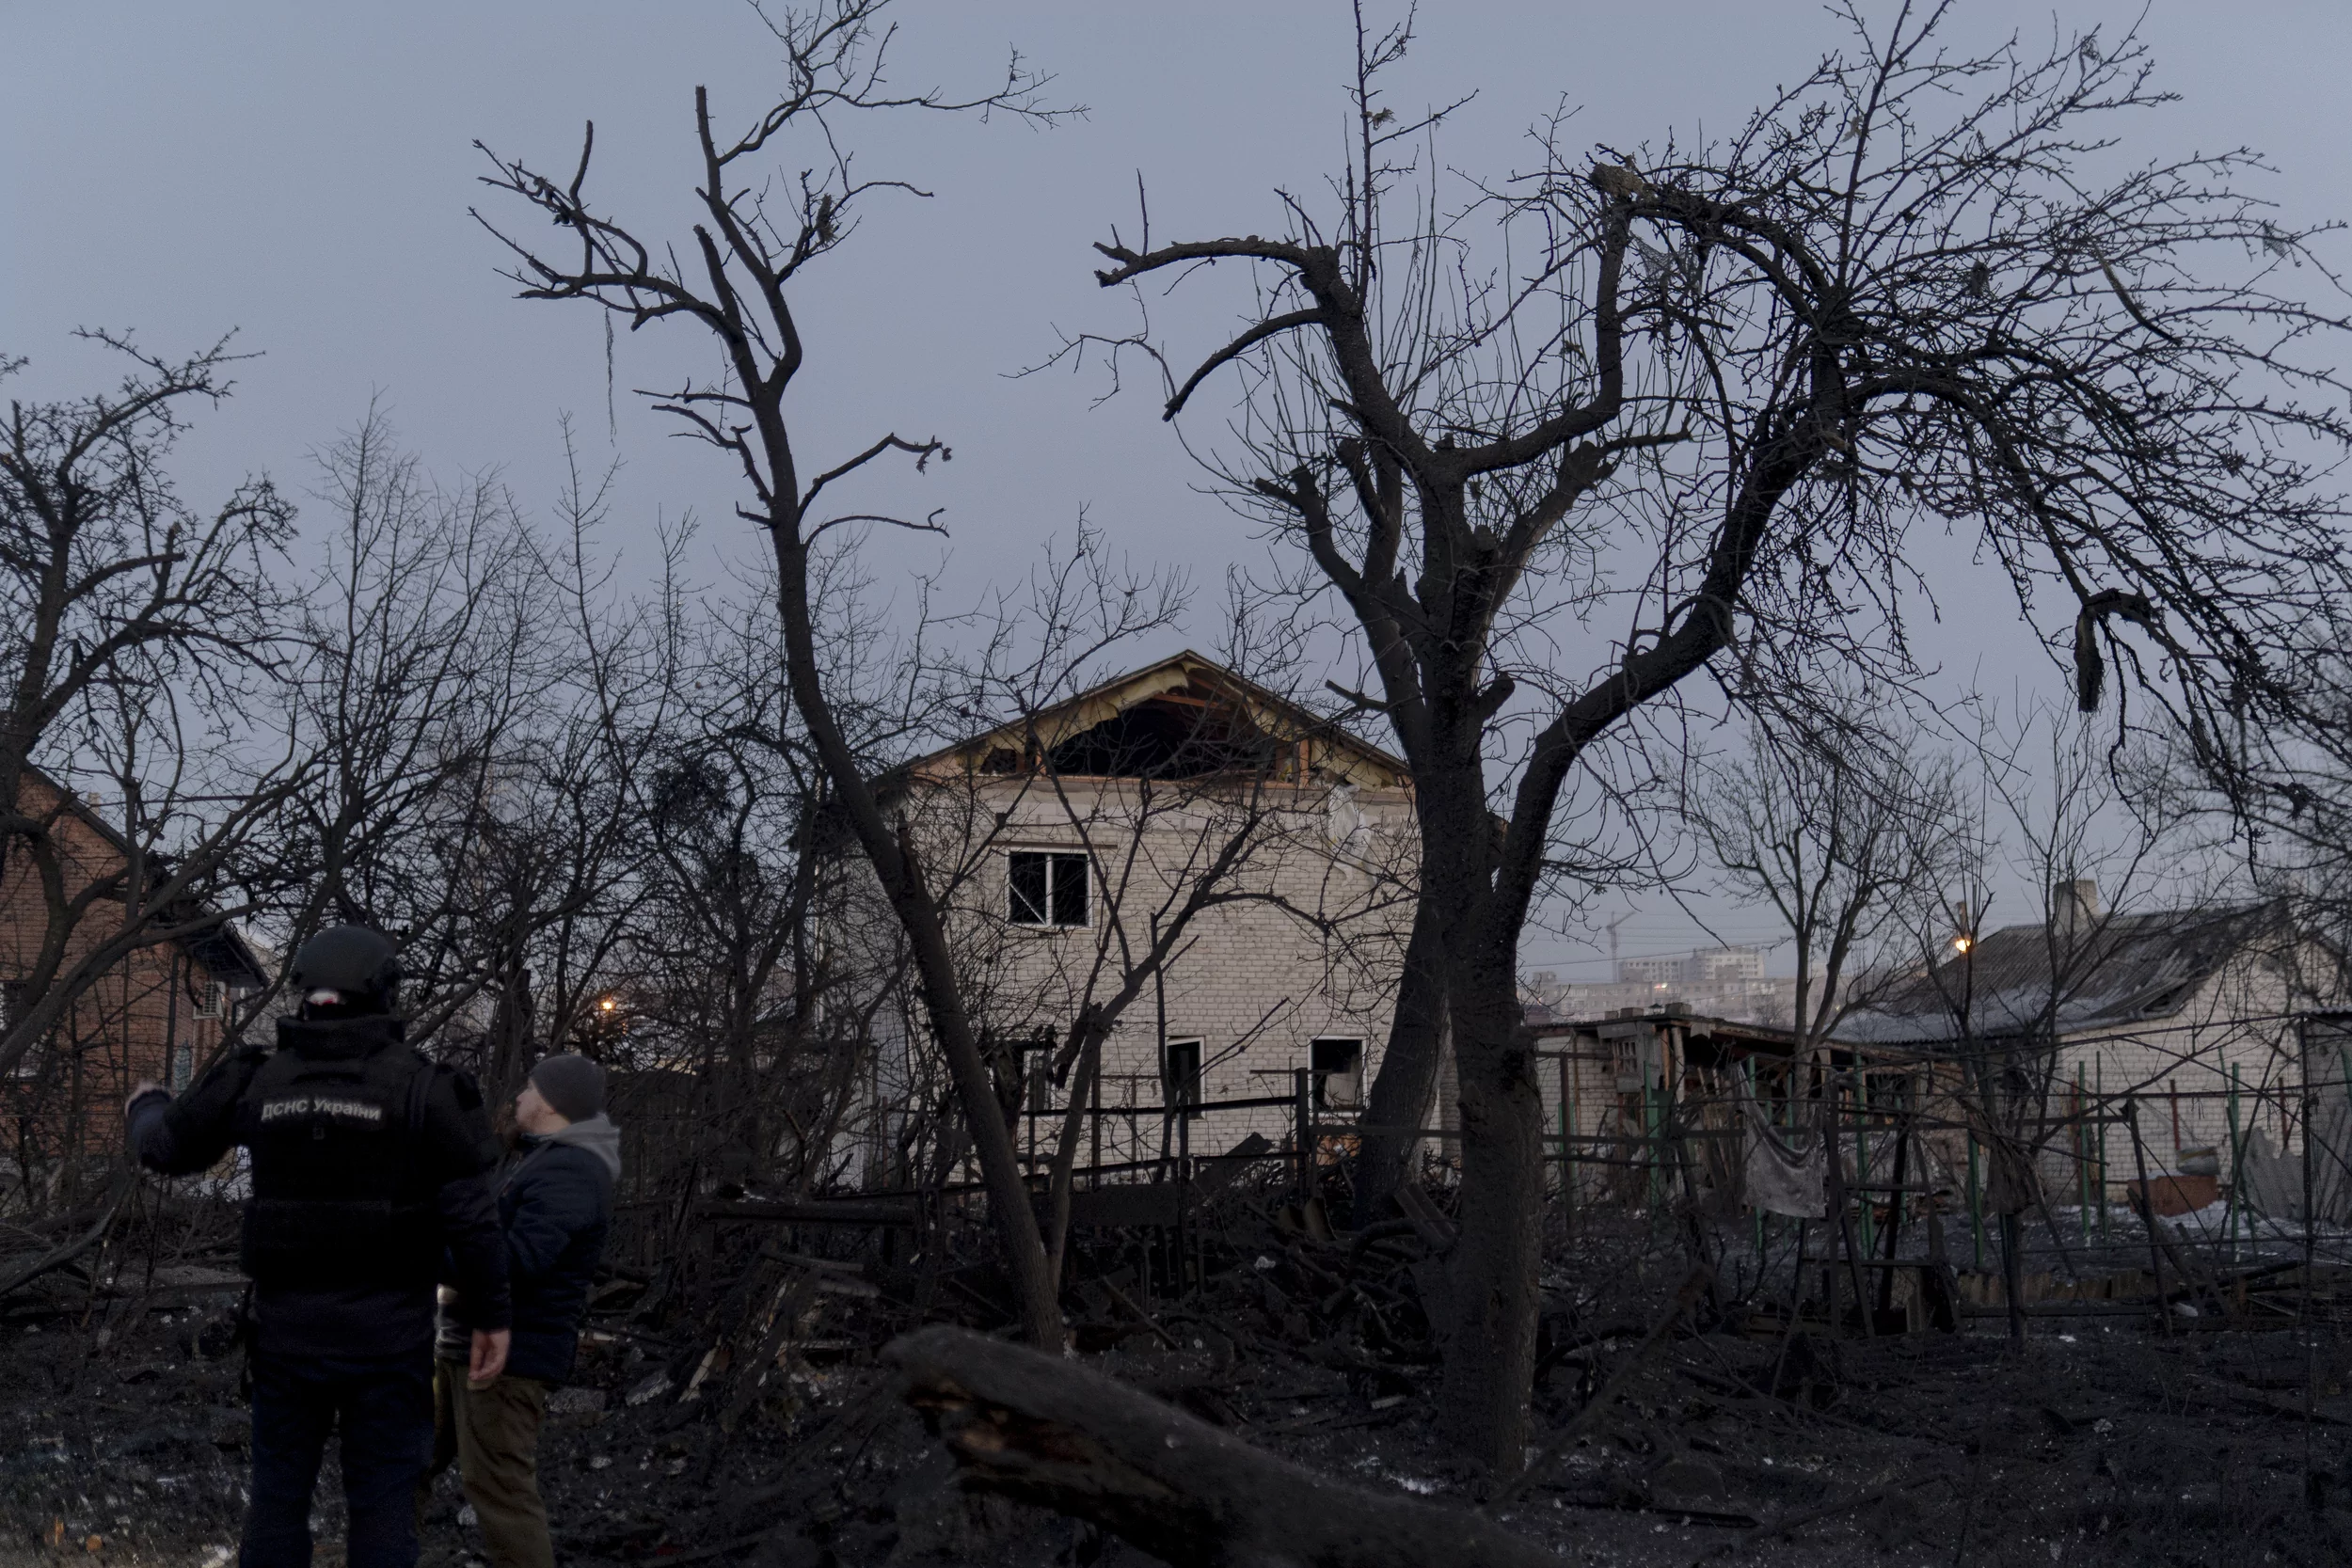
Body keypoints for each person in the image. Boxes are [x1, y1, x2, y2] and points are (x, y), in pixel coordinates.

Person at [125, 925, 511, 1568]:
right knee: (383, 1508)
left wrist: (146, 1104)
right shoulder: (426, 1089)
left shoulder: (259, 1079)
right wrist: (494, 1316)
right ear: (385, 994)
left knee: (277, 1501)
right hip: (389, 1346)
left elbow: (164, 1147)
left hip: (287, 1342)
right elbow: (475, 1220)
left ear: (305, 993)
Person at [427, 1053, 619, 1568]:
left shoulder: (572, 1170)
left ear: (554, 1102)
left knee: (499, 1492)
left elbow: (516, 1261)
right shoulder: (535, 1158)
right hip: (461, 1346)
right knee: (406, 1460)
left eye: (530, 1088)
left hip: (509, 1362)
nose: (518, 1097)